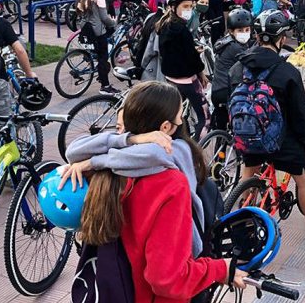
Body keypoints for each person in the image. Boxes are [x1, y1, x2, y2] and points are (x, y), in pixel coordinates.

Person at [60, 81, 245, 303]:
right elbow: (167, 279)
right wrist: (220, 269)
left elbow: (75, 150)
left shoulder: (102, 170)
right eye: (180, 116)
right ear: (166, 127)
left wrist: (127, 142)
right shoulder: (170, 183)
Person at [229, 10, 305, 256]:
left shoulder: (239, 66)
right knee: (304, 178)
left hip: (247, 135)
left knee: (248, 174)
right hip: (281, 140)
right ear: (281, 38)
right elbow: (300, 116)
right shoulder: (286, 71)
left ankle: (240, 233)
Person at [157, 0, 208, 138]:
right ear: (173, 7)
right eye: (185, 6)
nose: (189, 10)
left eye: (191, 7)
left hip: (170, 78)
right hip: (187, 80)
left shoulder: (164, 25)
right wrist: (201, 73)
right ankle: (195, 152)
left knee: (175, 116)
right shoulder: (182, 30)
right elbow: (191, 57)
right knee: (205, 119)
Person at [77, 0, 118, 94]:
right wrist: (114, 22)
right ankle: (105, 86)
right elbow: (104, 18)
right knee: (103, 57)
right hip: (98, 31)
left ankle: (92, 61)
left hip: (86, 28)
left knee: (96, 51)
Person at [211, 9, 252, 130]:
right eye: (240, 30)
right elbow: (252, 63)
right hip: (228, 92)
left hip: (217, 91)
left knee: (222, 130)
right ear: (231, 31)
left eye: (247, 30)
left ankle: (220, 145)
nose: (244, 33)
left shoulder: (225, 42)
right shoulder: (235, 48)